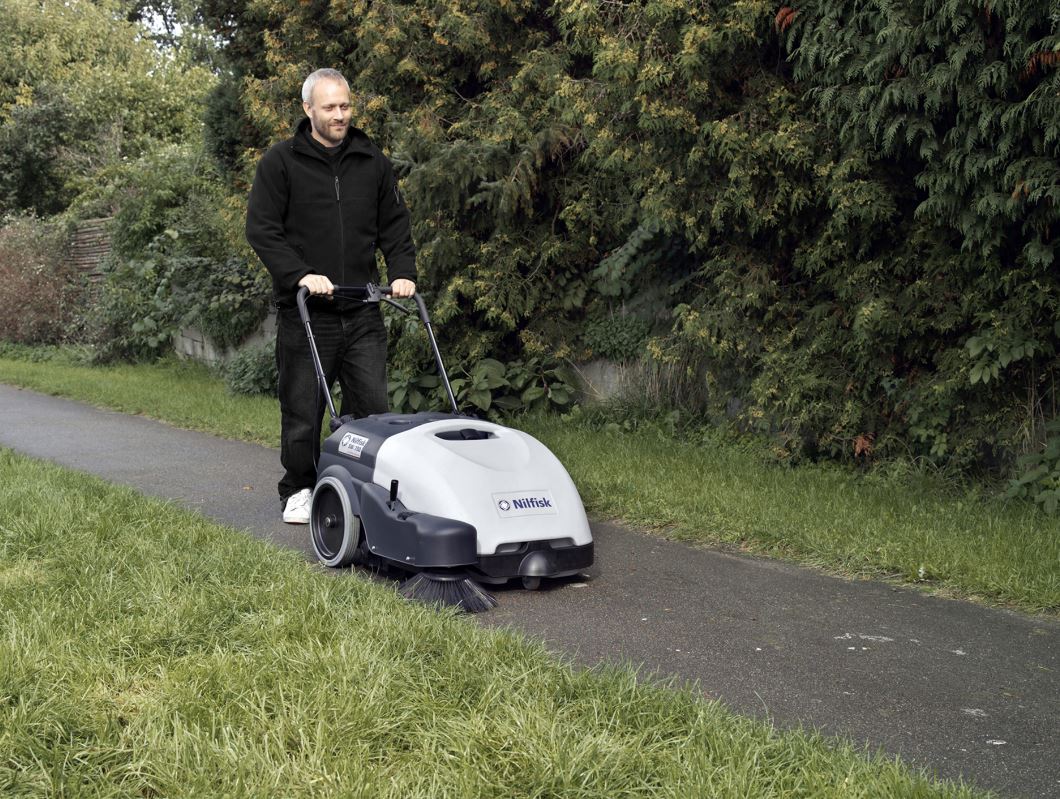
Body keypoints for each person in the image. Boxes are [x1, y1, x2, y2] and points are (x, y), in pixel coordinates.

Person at [246, 68, 417, 524]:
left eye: (345, 106)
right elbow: (262, 231)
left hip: (362, 308)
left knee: (373, 410)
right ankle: (298, 488)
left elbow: (395, 226)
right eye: (330, 107)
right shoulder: (281, 163)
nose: (340, 115)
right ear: (308, 110)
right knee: (303, 409)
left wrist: (401, 273)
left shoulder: (371, 161)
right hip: (307, 314)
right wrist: (301, 274)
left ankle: (367, 490)